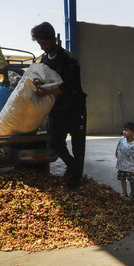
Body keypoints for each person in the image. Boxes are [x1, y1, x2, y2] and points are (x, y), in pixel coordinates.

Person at [31, 22, 87, 190]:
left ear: (54, 39)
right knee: (56, 143)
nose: (43, 48)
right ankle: (72, 165)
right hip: (57, 109)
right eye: (40, 44)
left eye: (45, 44)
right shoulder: (44, 60)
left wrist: (46, 92)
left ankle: (75, 181)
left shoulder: (69, 60)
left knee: (78, 146)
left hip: (75, 109)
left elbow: (69, 87)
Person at [115, 122, 134, 198]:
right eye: (124, 130)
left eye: (127, 130)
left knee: (131, 180)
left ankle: (132, 194)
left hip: (131, 166)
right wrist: (116, 152)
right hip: (121, 165)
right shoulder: (122, 139)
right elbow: (118, 146)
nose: (124, 132)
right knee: (122, 179)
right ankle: (124, 192)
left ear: (133, 133)